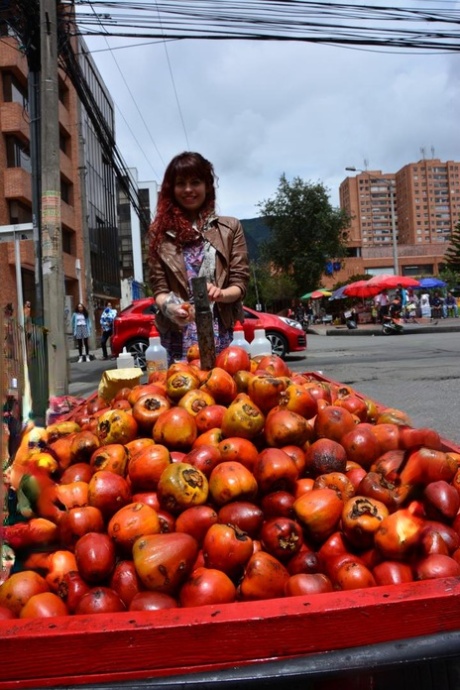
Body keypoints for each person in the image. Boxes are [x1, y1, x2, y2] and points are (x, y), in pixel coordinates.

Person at [148, 152, 249, 364]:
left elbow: (240, 284)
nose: (188, 189)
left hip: (220, 331)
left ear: (207, 186)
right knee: (181, 392)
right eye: (180, 183)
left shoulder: (230, 228)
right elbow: (159, 289)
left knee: (221, 390)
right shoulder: (158, 233)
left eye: (195, 182)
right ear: (171, 189)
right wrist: (172, 307)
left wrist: (220, 293)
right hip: (177, 333)